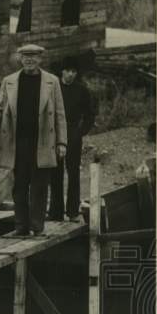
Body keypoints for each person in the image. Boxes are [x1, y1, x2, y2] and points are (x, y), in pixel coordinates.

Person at [0, 43, 67, 236]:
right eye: (25, 56)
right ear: (20, 59)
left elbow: (60, 114)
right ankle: (21, 227)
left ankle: (37, 226)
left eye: (33, 56)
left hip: (43, 141)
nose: (29, 60)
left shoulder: (52, 82)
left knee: (40, 186)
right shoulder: (9, 81)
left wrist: (62, 142)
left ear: (40, 59)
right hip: (18, 142)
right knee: (19, 186)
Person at [49, 56, 96, 221]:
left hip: (73, 134)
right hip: (55, 135)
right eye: (68, 71)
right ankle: (55, 212)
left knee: (73, 173)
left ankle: (72, 212)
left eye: (74, 71)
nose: (70, 74)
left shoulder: (82, 90)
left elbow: (90, 114)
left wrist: (81, 132)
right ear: (62, 71)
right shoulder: (53, 88)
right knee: (55, 173)